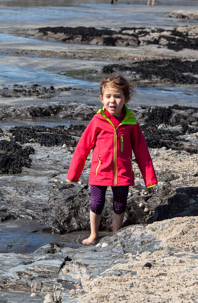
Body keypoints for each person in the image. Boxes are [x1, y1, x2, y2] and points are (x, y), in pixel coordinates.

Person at [66, 74, 158, 245]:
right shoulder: (97, 121)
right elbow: (82, 148)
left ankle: (116, 233)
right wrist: (73, 174)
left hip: (122, 173)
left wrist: (150, 178)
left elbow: (141, 152)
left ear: (126, 99)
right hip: (99, 171)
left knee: (119, 204)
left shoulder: (131, 123)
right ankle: (93, 234)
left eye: (117, 96)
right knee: (97, 203)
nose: (112, 101)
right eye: (108, 96)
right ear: (101, 98)